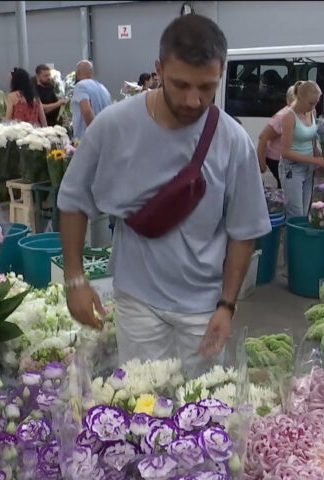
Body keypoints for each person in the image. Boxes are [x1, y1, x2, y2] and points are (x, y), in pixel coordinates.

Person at [58, 14, 270, 374]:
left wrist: (227, 306)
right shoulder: (113, 125)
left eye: (207, 87)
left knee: (201, 413)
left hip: (203, 308)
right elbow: (73, 200)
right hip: (136, 300)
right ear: (158, 70)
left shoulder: (233, 141)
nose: (193, 99)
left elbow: (243, 231)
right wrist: (75, 279)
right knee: (141, 407)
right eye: (180, 84)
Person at [278, 80, 324, 218]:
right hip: (292, 169)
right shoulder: (289, 117)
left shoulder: (312, 112)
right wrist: (316, 161)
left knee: (304, 213)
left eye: (316, 103)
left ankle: (298, 239)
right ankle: (290, 239)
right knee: (295, 214)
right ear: (300, 98)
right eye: (311, 103)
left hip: (308, 167)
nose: (313, 106)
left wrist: (321, 158)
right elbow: (285, 152)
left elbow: (312, 140)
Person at [256, 85, 296, 188]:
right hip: (277, 159)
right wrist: (261, 163)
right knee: (288, 187)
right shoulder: (282, 117)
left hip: (290, 159)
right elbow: (263, 137)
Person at [71, 60, 111, 140]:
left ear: (78, 73)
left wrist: (95, 134)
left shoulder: (81, 86)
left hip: (87, 138)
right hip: (105, 135)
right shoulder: (103, 88)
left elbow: (87, 111)